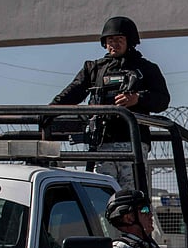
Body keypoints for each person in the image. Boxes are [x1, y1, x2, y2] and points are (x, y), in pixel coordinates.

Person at [51, 16, 171, 188]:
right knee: (103, 195)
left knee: (133, 194)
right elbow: (71, 93)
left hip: (132, 142)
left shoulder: (145, 69)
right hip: (101, 143)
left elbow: (162, 100)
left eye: (119, 40)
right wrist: (49, 111)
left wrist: (137, 98)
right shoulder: (94, 69)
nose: (114, 44)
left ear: (129, 41)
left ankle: (139, 214)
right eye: (110, 40)